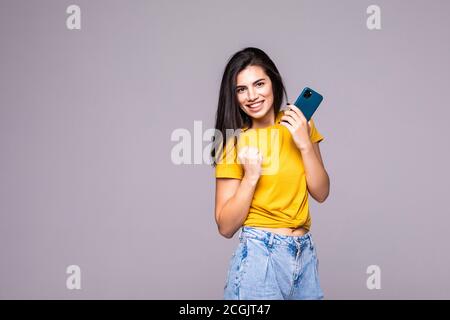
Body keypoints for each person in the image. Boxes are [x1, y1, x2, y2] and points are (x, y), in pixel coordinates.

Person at [211, 47, 330, 300]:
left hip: (304, 255)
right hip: (259, 255)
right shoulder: (234, 141)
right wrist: (251, 177)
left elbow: (321, 192)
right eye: (241, 89)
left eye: (259, 84)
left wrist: (304, 143)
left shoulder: (299, 122)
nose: (251, 96)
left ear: (273, 82)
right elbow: (225, 226)